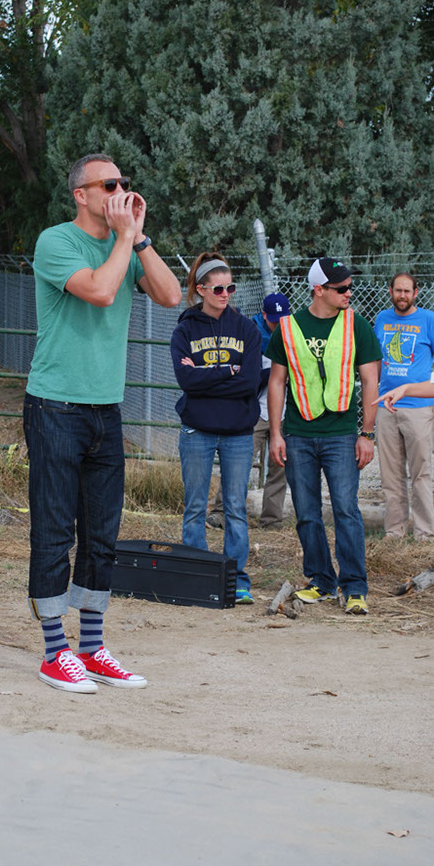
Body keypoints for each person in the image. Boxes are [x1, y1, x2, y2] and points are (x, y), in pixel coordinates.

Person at [24, 153, 182, 693]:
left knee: (101, 535)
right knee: (53, 531)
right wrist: (123, 238)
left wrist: (139, 238)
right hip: (54, 406)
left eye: (124, 183)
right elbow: (100, 291)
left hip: (105, 409)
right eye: (109, 185)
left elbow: (171, 295)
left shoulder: (125, 245)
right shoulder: (56, 242)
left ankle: (90, 648)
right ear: (81, 194)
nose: (121, 192)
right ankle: (55, 653)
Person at [266, 257, 381, 615]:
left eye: (350, 286)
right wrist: (276, 434)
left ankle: (355, 587)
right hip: (298, 435)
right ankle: (321, 581)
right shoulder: (288, 328)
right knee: (306, 513)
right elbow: (277, 382)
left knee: (346, 510)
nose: (349, 293)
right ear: (319, 290)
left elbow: (370, 381)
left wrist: (367, 434)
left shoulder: (357, 325)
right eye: (341, 288)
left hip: (342, 435)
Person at [170, 252, 261, 603]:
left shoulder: (246, 328)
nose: (226, 295)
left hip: (238, 432)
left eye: (230, 288)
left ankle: (236, 580)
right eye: (219, 289)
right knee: (195, 506)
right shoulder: (185, 329)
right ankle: (197, 574)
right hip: (198, 430)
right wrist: (227, 371)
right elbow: (186, 381)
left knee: (235, 508)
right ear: (201, 289)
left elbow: (249, 381)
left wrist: (206, 376)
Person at [206, 292, 291, 529]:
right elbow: (244, 377)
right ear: (264, 315)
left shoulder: (293, 335)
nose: (278, 326)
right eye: (274, 321)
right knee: (237, 464)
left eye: (283, 320)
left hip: (284, 412)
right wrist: (275, 375)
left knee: (280, 467)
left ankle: (272, 520)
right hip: (254, 411)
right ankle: (221, 513)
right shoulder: (249, 334)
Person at [373, 274, 434, 540]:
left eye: (407, 291)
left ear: (416, 293)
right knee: (391, 474)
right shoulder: (382, 319)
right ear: (391, 291)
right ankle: (395, 531)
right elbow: (376, 361)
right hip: (386, 407)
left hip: (419, 407)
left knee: (421, 473)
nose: (402, 296)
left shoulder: (428, 320)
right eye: (398, 290)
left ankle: (425, 533)